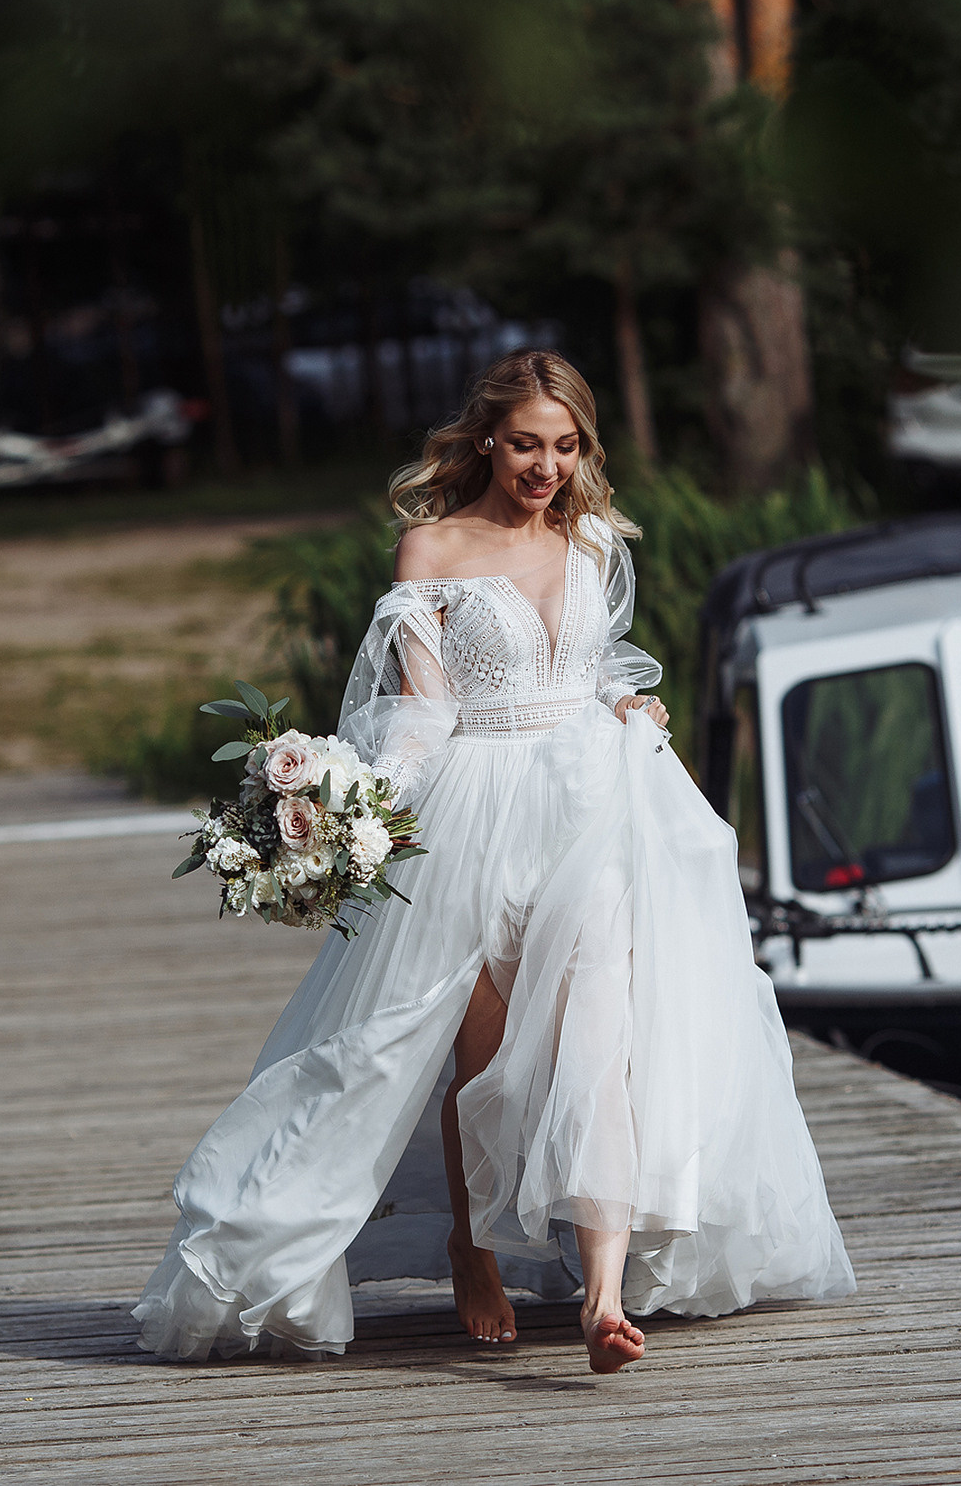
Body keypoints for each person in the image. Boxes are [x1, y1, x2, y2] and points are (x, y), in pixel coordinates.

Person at [134, 349, 853, 1373]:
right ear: (484, 437)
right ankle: (470, 1244)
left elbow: (595, 662)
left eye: (565, 446)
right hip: (474, 805)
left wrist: (624, 704)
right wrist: (354, 801)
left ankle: (602, 1294)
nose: (545, 466)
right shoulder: (429, 548)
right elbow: (423, 711)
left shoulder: (594, 541)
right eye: (526, 443)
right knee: (472, 1048)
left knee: (601, 1035)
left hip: (595, 803)